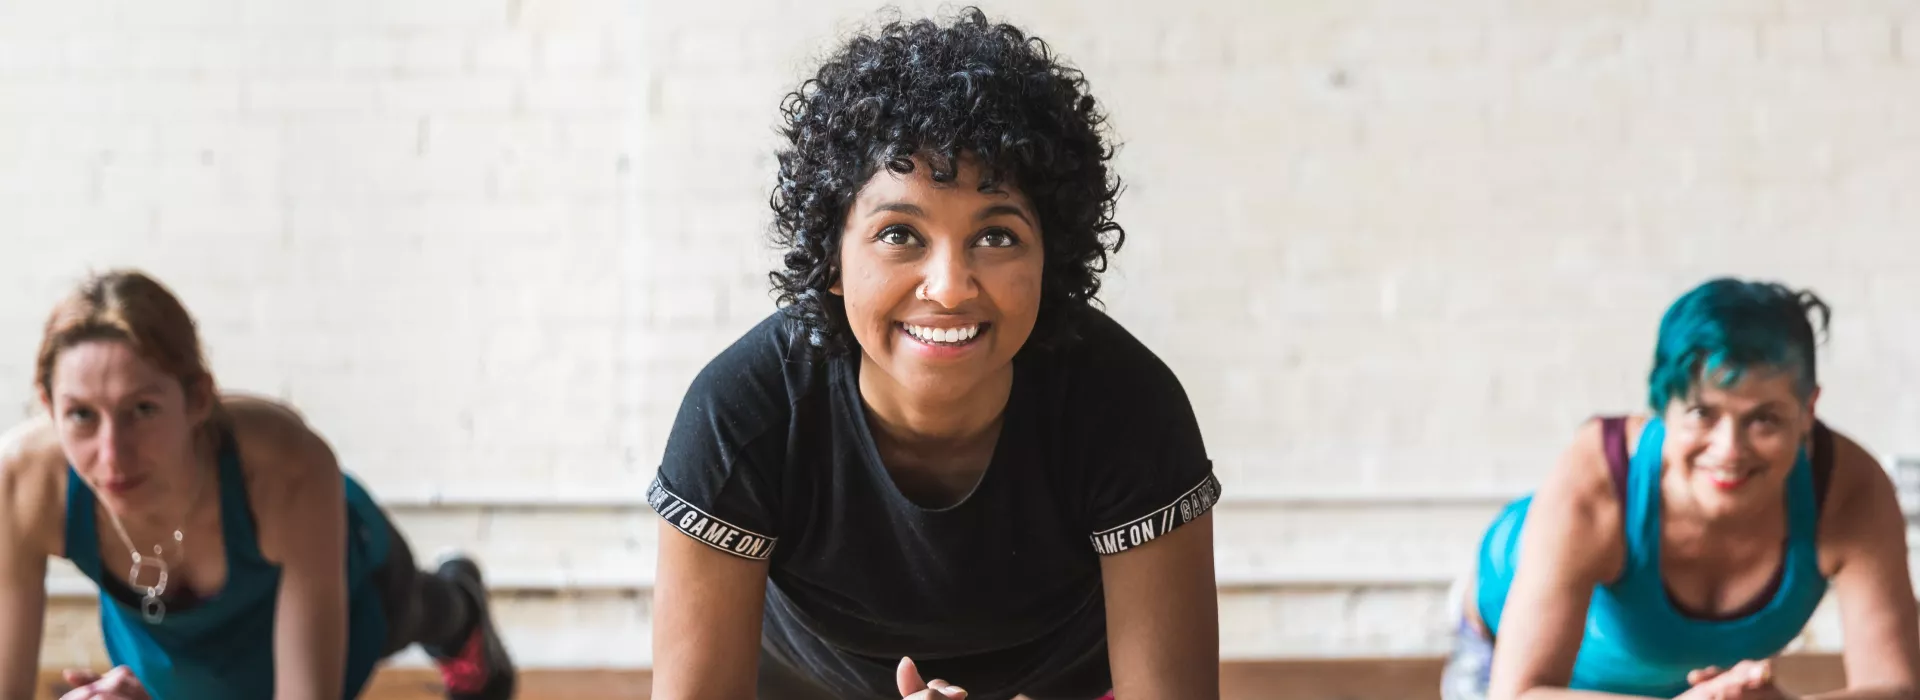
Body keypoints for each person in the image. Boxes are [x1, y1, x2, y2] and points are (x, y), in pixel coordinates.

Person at [646, 7, 1222, 700]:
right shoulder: (742, 415)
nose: (949, 288)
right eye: (899, 235)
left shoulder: (1127, 408)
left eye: (997, 237)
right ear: (832, 258)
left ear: (1053, 259)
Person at [0, 270, 518, 700]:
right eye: (82, 416)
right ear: (49, 409)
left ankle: (461, 610)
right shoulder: (21, 485)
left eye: (143, 410)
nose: (112, 455)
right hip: (174, 641)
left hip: (352, 579)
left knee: (415, 611)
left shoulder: (284, 465)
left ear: (199, 399)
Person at [1441, 278, 1920, 700]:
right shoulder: (1595, 478)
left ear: (1808, 409)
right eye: (1701, 414)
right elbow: (1520, 693)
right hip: (1512, 656)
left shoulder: (1848, 491)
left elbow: (1898, 689)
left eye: (1765, 419)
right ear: (1661, 407)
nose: (1730, 449)